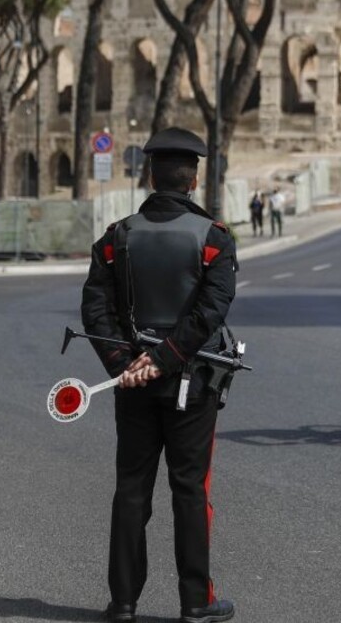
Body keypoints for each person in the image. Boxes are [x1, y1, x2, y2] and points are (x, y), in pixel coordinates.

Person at [81, 127, 238, 623]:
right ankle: (196, 604)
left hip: (132, 384)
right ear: (193, 178)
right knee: (191, 491)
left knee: (131, 490)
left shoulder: (117, 237)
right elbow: (210, 312)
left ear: (151, 174)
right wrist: (167, 356)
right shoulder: (215, 239)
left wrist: (123, 365)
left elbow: (95, 309)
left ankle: (123, 604)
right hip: (192, 385)